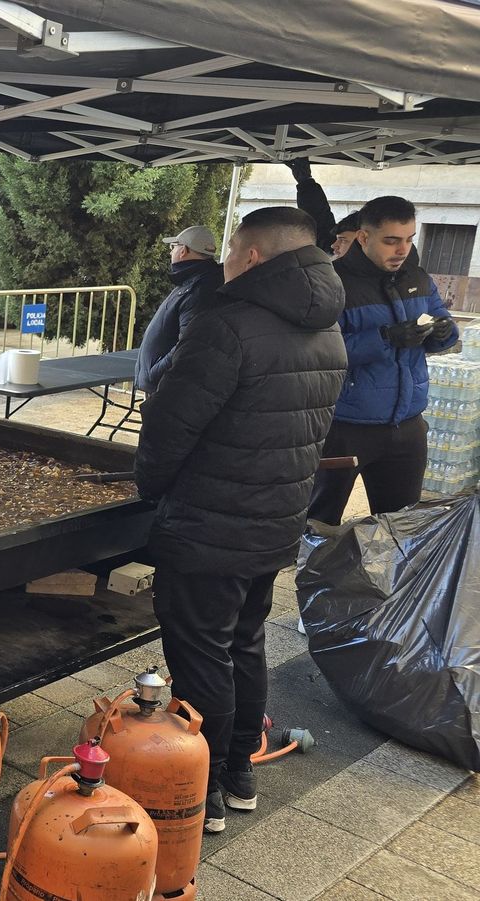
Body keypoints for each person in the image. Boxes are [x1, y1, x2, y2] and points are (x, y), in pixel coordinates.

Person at [134, 206, 347, 834]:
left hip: (210, 523)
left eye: (230, 249)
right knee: (244, 642)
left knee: (199, 651)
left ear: (252, 255)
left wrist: (152, 489)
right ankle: (238, 772)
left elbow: (170, 424)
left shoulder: (225, 324)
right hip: (277, 517)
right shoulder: (328, 328)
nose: (224, 260)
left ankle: (199, 791)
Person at [308, 195, 458, 525]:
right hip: (344, 427)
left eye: (408, 240)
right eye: (391, 241)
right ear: (364, 237)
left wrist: (443, 332)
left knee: (401, 527)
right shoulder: (333, 283)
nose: (401, 250)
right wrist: (385, 339)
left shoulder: (418, 279)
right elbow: (319, 353)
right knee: (318, 520)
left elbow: (445, 327)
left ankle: (388, 579)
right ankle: (313, 575)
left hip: (408, 425)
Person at [134, 225, 224, 394]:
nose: (171, 252)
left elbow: (187, 344)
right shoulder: (197, 280)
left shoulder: (198, 288)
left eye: (173, 247)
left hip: (167, 387)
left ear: (183, 250)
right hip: (166, 383)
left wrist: (155, 373)